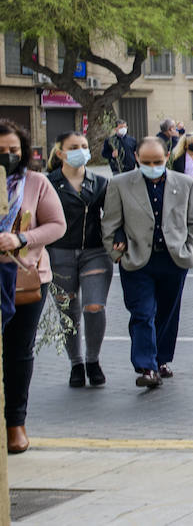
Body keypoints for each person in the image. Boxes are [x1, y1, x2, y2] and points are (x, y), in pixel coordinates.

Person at [102, 137, 193, 390]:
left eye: (157, 161)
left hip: (172, 259)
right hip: (137, 261)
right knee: (142, 313)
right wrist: (116, 255)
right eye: (146, 162)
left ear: (167, 158)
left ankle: (161, 360)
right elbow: (110, 223)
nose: (152, 166)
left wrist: (189, 249)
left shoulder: (186, 184)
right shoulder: (120, 184)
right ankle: (146, 367)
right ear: (136, 158)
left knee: (168, 313)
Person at [0, 122, 65, 453]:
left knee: (18, 352)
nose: (8, 156)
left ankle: (16, 424)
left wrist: (21, 238)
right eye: (1, 152)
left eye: (14, 150)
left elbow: (57, 225)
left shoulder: (36, 183)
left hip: (26, 277)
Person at [46, 133, 113, 390]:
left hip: (95, 252)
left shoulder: (100, 183)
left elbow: (113, 216)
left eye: (84, 146)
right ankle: (76, 364)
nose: (80, 151)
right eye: (74, 148)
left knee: (94, 306)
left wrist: (118, 237)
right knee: (68, 312)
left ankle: (93, 360)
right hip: (59, 254)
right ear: (60, 153)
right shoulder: (49, 183)